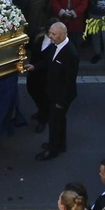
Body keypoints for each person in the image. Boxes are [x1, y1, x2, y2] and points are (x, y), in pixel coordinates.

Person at [29, 21, 79, 160]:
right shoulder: (55, 46)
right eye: (50, 33)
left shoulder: (70, 54)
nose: (50, 36)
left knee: (55, 122)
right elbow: (47, 62)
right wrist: (34, 66)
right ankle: (59, 144)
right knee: (59, 120)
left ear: (63, 35)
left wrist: (61, 101)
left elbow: (69, 81)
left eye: (53, 34)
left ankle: (52, 150)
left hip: (60, 96)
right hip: (53, 92)